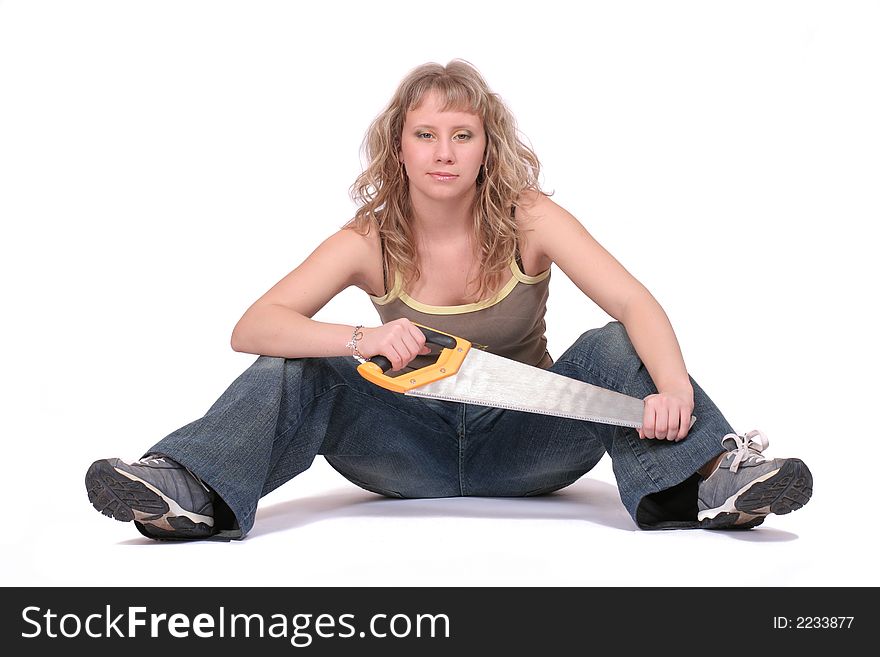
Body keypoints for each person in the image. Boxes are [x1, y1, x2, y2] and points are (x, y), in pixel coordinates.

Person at [85, 59, 812, 541]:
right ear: (397, 148)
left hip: (530, 444)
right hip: (403, 449)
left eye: (461, 135)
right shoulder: (366, 238)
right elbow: (253, 326)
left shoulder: (532, 218)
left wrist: (673, 385)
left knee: (619, 345)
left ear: (485, 148)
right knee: (293, 361)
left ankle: (712, 480)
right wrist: (360, 339)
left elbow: (635, 299)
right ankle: (193, 490)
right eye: (425, 134)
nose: (442, 151)